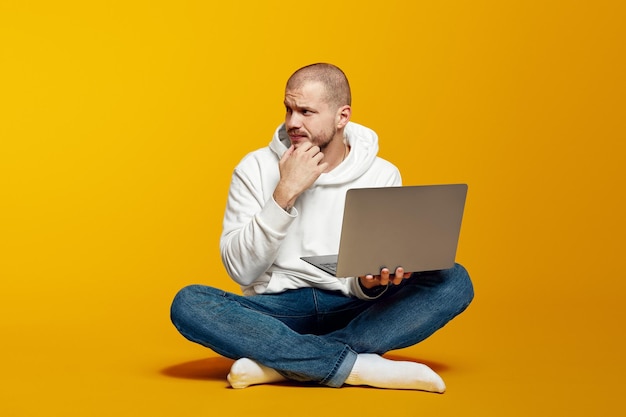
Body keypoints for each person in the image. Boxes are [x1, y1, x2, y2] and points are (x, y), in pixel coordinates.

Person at [170, 63, 474, 392]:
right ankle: (357, 366)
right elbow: (241, 271)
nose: (292, 122)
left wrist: (370, 284)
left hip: (352, 307)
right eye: (288, 109)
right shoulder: (254, 168)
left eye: (306, 111)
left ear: (342, 117)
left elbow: (370, 278)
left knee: (454, 280)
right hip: (276, 312)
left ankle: (284, 364)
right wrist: (284, 193)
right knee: (188, 303)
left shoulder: (381, 173)